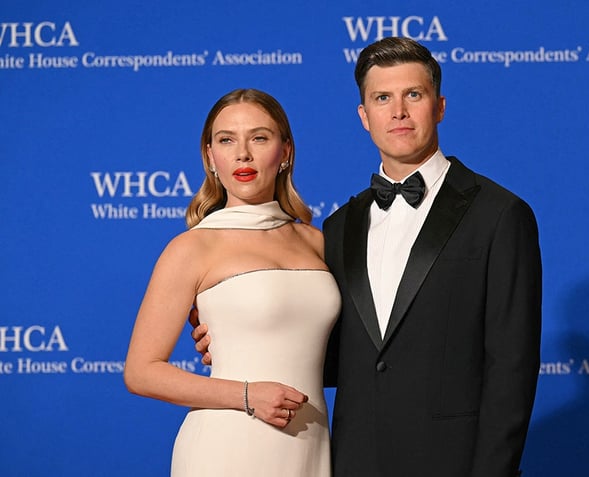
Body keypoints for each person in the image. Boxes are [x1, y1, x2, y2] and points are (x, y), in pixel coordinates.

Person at [194, 37, 543, 477]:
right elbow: (336, 351)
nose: (398, 111)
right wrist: (243, 335)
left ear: (439, 106)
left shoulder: (500, 214)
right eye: (382, 98)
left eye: (412, 95)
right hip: (353, 459)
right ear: (364, 116)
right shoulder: (341, 226)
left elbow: (512, 368)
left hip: (453, 461)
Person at [124, 88, 339, 477]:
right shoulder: (192, 247)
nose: (243, 153)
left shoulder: (317, 241)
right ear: (210, 156)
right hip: (228, 446)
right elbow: (141, 371)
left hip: (310, 443)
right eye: (227, 140)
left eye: (259, 137)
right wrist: (246, 395)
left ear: (286, 151)